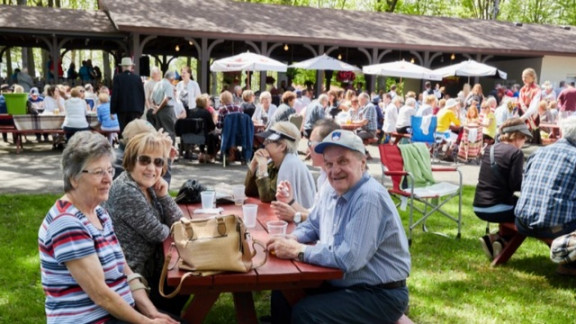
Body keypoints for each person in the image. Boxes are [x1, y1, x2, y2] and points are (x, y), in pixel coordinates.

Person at [267, 129, 410, 324]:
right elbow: (312, 224)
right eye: (329, 164)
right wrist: (292, 238)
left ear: (362, 163)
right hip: (347, 284)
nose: (334, 170)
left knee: (307, 313)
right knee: (283, 290)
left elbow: (348, 258)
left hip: (381, 294)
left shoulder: (368, 197)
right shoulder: (332, 188)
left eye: (343, 161)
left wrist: (299, 250)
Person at [38, 131, 179, 324]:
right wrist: (147, 322)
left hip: (114, 313)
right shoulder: (67, 223)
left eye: (109, 170)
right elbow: (101, 294)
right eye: (98, 172)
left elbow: (125, 269)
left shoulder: (99, 214)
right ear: (74, 178)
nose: (108, 179)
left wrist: (152, 312)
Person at [104, 131, 188, 314]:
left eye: (158, 162)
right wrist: (168, 228)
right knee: (185, 279)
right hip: (132, 282)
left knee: (186, 279)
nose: (152, 168)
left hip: (152, 268)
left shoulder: (148, 187)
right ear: (131, 161)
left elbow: (179, 223)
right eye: (144, 160)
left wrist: (164, 196)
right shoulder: (127, 190)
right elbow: (159, 233)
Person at [515, 116, 576, 275]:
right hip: (553, 228)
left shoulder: (538, 152)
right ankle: (568, 264)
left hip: (522, 222)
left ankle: (568, 262)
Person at [473, 118, 531, 260]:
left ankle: (495, 240)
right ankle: (501, 240)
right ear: (517, 136)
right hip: (499, 208)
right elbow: (515, 185)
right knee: (530, 214)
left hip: (479, 206)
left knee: (518, 206)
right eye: (524, 137)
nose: (524, 142)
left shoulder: (490, 148)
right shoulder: (516, 153)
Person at [271, 119, 340, 224]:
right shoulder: (323, 176)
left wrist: (295, 216)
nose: (308, 149)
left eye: (311, 143)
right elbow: (313, 213)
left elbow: (327, 222)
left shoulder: (338, 181)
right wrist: (290, 200)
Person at [245, 121, 315, 208]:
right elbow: (249, 192)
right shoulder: (273, 163)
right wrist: (253, 164)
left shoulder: (290, 165)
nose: (264, 144)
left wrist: (262, 169)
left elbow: (267, 198)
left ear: (282, 146)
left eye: (268, 141)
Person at [110, 57, 146, 134]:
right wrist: (141, 109)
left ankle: (125, 146)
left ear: (122, 66)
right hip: (136, 109)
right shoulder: (137, 78)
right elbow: (142, 95)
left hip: (122, 110)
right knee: (134, 132)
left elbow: (115, 95)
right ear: (131, 66)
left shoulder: (118, 78)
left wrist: (112, 111)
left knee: (124, 132)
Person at [187, 94, 218, 163]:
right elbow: (212, 127)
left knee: (203, 132)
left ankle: (202, 152)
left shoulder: (190, 112)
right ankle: (210, 156)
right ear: (204, 103)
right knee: (214, 136)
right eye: (207, 102)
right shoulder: (206, 113)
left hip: (190, 136)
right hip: (204, 137)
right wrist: (215, 119)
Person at [149, 71, 177, 143]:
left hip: (158, 111)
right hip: (167, 110)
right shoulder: (168, 85)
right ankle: (170, 152)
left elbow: (152, 98)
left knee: (159, 133)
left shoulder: (157, 84)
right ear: (171, 78)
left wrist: (157, 107)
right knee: (169, 132)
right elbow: (167, 98)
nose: (174, 80)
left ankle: (160, 152)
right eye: (173, 78)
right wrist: (159, 107)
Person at [518, 68, 542, 144]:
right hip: (522, 118)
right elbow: (519, 103)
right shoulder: (522, 89)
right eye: (522, 77)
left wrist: (524, 117)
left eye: (526, 77)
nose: (523, 79)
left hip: (531, 119)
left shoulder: (537, 90)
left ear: (532, 77)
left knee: (531, 144)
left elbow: (534, 106)